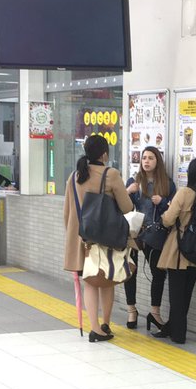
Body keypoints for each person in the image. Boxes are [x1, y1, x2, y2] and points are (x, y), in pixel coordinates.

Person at [63, 133, 132, 342]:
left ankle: (95, 328)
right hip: (104, 238)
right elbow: (127, 207)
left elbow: (67, 213)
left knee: (90, 282)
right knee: (107, 281)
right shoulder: (110, 174)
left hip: (81, 239)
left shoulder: (74, 175)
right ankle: (105, 324)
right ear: (104, 154)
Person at [156, 156, 196, 345]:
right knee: (186, 294)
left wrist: (166, 211)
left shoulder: (184, 193)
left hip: (179, 250)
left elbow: (167, 220)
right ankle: (171, 328)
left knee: (176, 295)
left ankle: (178, 334)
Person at [124, 145, 175, 331]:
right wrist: (128, 191)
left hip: (156, 234)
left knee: (159, 273)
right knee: (130, 271)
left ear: (157, 161)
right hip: (134, 233)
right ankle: (131, 310)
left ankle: (154, 312)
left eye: (150, 158)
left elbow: (172, 211)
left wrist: (162, 203)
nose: (146, 161)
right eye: (144, 158)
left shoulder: (167, 184)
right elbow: (122, 205)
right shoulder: (134, 181)